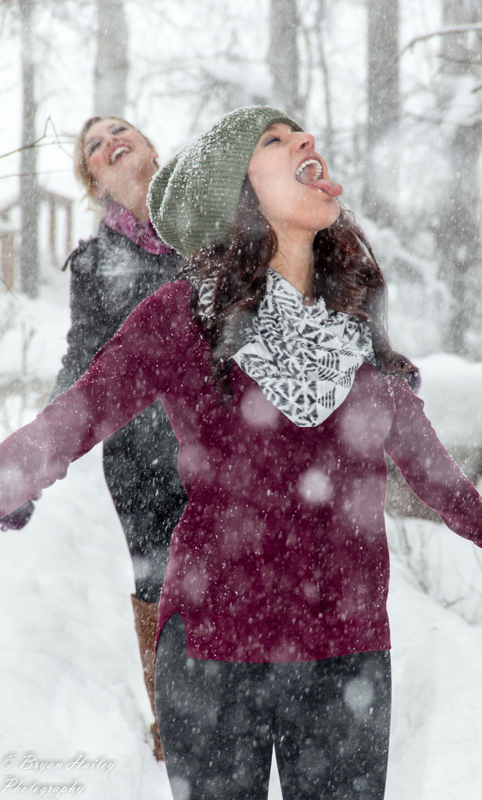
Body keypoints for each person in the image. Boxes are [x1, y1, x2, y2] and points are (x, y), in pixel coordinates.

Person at [0, 106, 482, 799]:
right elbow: (72, 419)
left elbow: (422, 458)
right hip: (213, 651)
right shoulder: (182, 316)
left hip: (348, 654)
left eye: (301, 133)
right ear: (236, 191)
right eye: (276, 141)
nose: (305, 141)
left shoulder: (354, 330)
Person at [0, 115, 188, 760]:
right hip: (140, 456)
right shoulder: (97, 261)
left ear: (149, 144)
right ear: (94, 178)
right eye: (93, 145)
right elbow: (81, 366)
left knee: (235, 572)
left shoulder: (209, 225)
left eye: (119, 128)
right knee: (159, 586)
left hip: (223, 442)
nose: (108, 138)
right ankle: (178, 727)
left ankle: (245, 710)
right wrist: (24, 474)